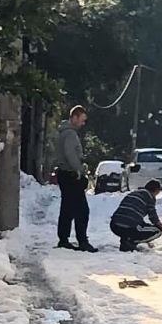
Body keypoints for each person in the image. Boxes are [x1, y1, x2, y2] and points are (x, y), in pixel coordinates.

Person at [54, 105, 98, 253]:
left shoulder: (63, 132)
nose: (82, 123)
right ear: (74, 117)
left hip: (64, 173)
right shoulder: (70, 134)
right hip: (71, 175)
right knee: (82, 210)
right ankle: (82, 241)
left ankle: (64, 239)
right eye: (81, 120)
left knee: (67, 208)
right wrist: (79, 169)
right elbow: (70, 154)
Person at [110, 180, 162, 252]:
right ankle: (130, 243)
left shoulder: (133, 193)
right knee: (157, 231)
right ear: (157, 190)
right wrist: (160, 225)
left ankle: (126, 240)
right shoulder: (150, 196)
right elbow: (152, 214)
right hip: (129, 227)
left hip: (114, 225)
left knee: (141, 225)